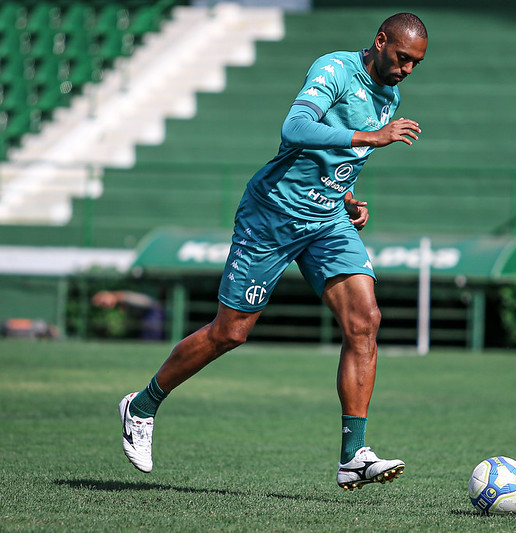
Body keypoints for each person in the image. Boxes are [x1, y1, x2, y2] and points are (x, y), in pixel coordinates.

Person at [118, 13, 428, 490]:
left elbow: (341, 158)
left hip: (326, 220)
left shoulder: (391, 95)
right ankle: (142, 405)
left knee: (365, 321)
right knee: (230, 333)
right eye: (402, 57)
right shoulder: (335, 70)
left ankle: (353, 455)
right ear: (380, 40)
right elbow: (295, 129)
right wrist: (370, 137)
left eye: (415, 64)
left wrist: (346, 197)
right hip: (273, 215)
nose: (406, 69)